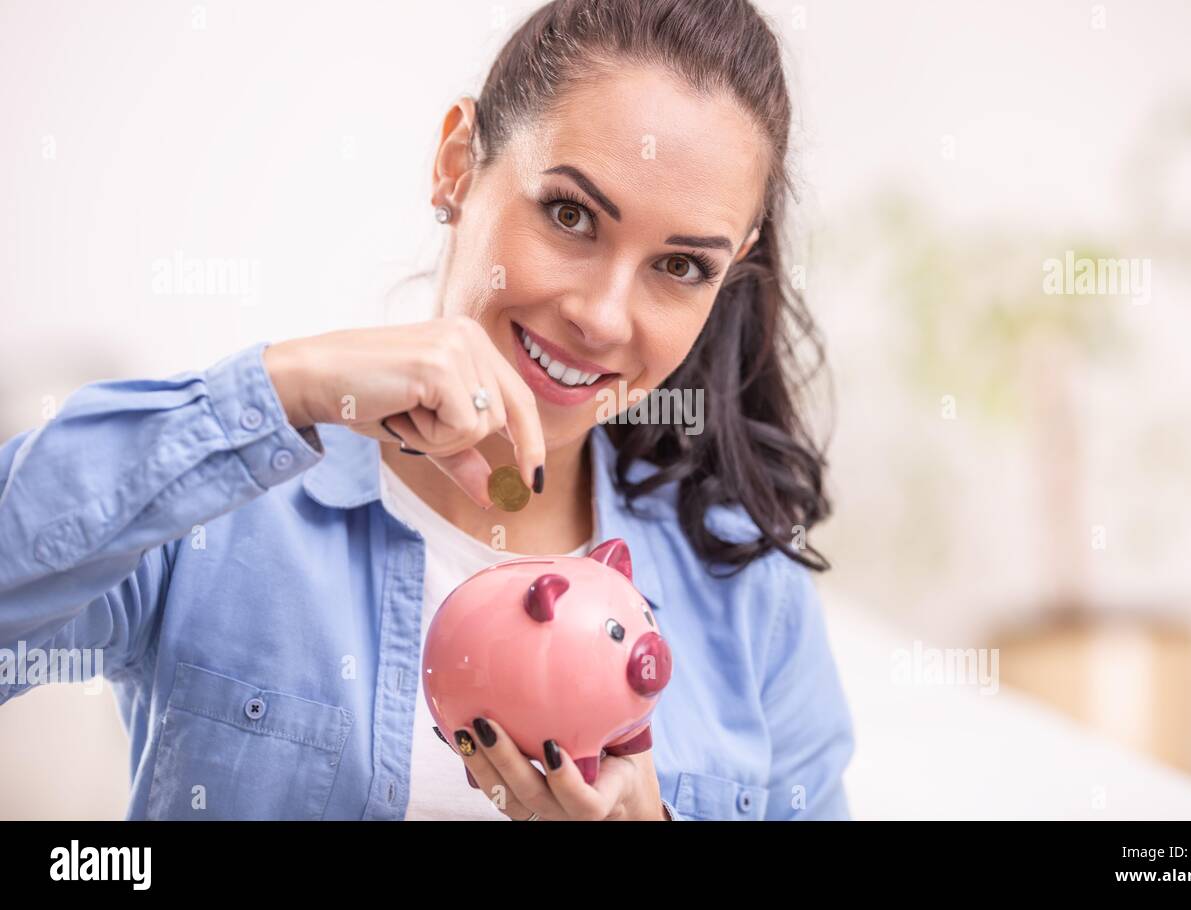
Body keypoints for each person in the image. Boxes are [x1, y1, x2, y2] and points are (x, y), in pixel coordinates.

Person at [0, 0, 854, 821]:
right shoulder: (225, 516)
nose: (601, 315)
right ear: (456, 163)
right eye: (570, 215)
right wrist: (286, 385)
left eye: (680, 267)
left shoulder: (747, 589)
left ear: (731, 268)